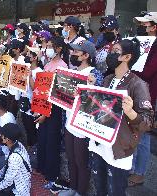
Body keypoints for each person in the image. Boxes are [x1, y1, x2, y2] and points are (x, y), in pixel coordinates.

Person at [90, 38, 154, 196]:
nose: (110, 55)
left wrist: (131, 113)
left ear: (127, 57)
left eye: (116, 52)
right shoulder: (107, 79)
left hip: (119, 150)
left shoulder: (137, 84)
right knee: (99, 188)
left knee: (115, 191)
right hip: (100, 144)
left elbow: (148, 123)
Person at [58, 41, 103, 196]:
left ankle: (80, 192)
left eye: (76, 52)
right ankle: (72, 188)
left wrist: (94, 85)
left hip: (83, 127)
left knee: (81, 162)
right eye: (72, 51)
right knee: (71, 158)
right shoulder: (72, 72)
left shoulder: (94, 73)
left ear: (86, 55)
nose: (72, 54)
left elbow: (98, 102)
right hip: (70, 122)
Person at [128, 11, 157, 187]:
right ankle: (131, 167)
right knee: (133, 131)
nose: (143, 27)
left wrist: (129, 67)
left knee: (143, 136)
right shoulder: (142, 43)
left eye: (146, 24)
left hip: (148, 95)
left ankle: (139, 173)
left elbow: (148, 71)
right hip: (136, 91)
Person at [35, 36, 67, 189]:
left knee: (51, 142)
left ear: (59, 48)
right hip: (42, 107)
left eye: (50, 46)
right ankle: (41, 168)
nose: (47, 49)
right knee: (42, 140)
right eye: (46, 46)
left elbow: (57, 94)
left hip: (53, 110)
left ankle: (51, 175)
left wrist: (45, 113)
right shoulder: (48, 64)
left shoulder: (62, 66)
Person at [20, 47, 43, 147]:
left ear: (35, 58)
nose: (27, 55)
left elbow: (37, 89)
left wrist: (29, 77)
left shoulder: (39, 71)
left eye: (30, 53)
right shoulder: (26, 67)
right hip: (24, 102)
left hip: (33, 106)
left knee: (32, 130)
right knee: (26, 128)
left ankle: (34, 149)